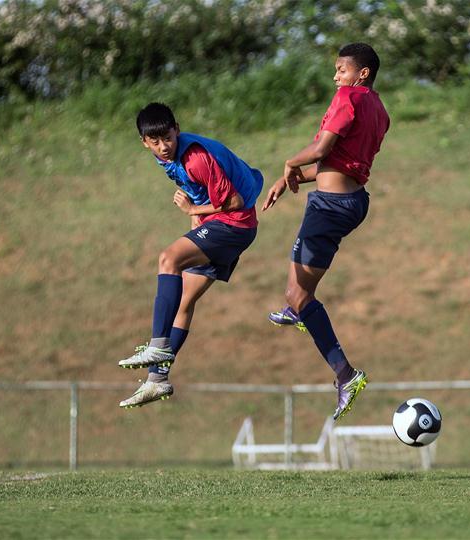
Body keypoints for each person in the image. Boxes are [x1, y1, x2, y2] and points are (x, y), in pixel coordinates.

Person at [261, 43, 390, 420]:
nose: (336, 77)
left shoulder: (348, 97)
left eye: (341, 69)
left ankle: (345, 374)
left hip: (330, 207)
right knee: (298, 296)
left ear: (361, 74)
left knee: (297, 294)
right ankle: (299, 310)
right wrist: (290, 180)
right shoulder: (380, 110)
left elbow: (321, 148)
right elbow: (340, 164)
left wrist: (289, 163)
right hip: (351, 201)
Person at [117, 102, 263, 408]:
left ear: (177, 130)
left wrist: (193, 210)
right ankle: (157, 380)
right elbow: (203, 192)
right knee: (183, 301)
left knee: (168, 259)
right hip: (226, 227)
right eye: (154, 142)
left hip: (233, 225)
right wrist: (195, 219)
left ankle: (158, 346)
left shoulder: (195, 157)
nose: (163, 146)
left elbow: (234, 201)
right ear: (144, 143)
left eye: (167, 138)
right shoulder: (168, 158)